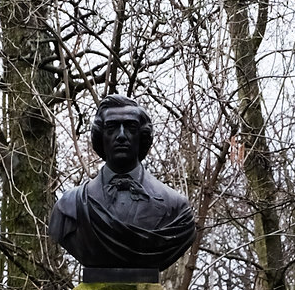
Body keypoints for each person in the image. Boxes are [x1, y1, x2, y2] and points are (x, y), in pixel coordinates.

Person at [48, 95, 195, 279]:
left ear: (142, 136)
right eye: (112, 127)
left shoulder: (176, 209)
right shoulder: (69, 207)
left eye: (131, 127)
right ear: (100, 136)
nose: (121, 136)